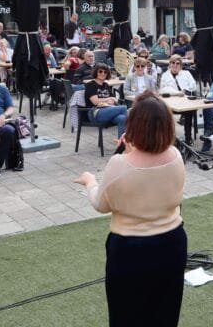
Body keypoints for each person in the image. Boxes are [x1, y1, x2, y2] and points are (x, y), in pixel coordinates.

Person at [74, 91, 186, 327]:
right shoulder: (175, 156)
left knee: (126, 315)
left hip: (130, 250)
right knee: (165, 312)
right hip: (172, 242)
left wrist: (89, 181)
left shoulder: (119, 164)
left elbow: (100, 204)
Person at [84, 63, 128, 137]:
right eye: (100, 71)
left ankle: (121, 144)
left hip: (109, 110)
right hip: (96, 112)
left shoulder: (106, 85)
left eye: (105, 72)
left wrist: (107, 100)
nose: (103, 73)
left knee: (122, 118)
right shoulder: (90, 85)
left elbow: (115, 100)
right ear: (96, 72)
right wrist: (109, 99)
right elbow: (95, 101)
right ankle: (130, 139)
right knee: (124, 108)